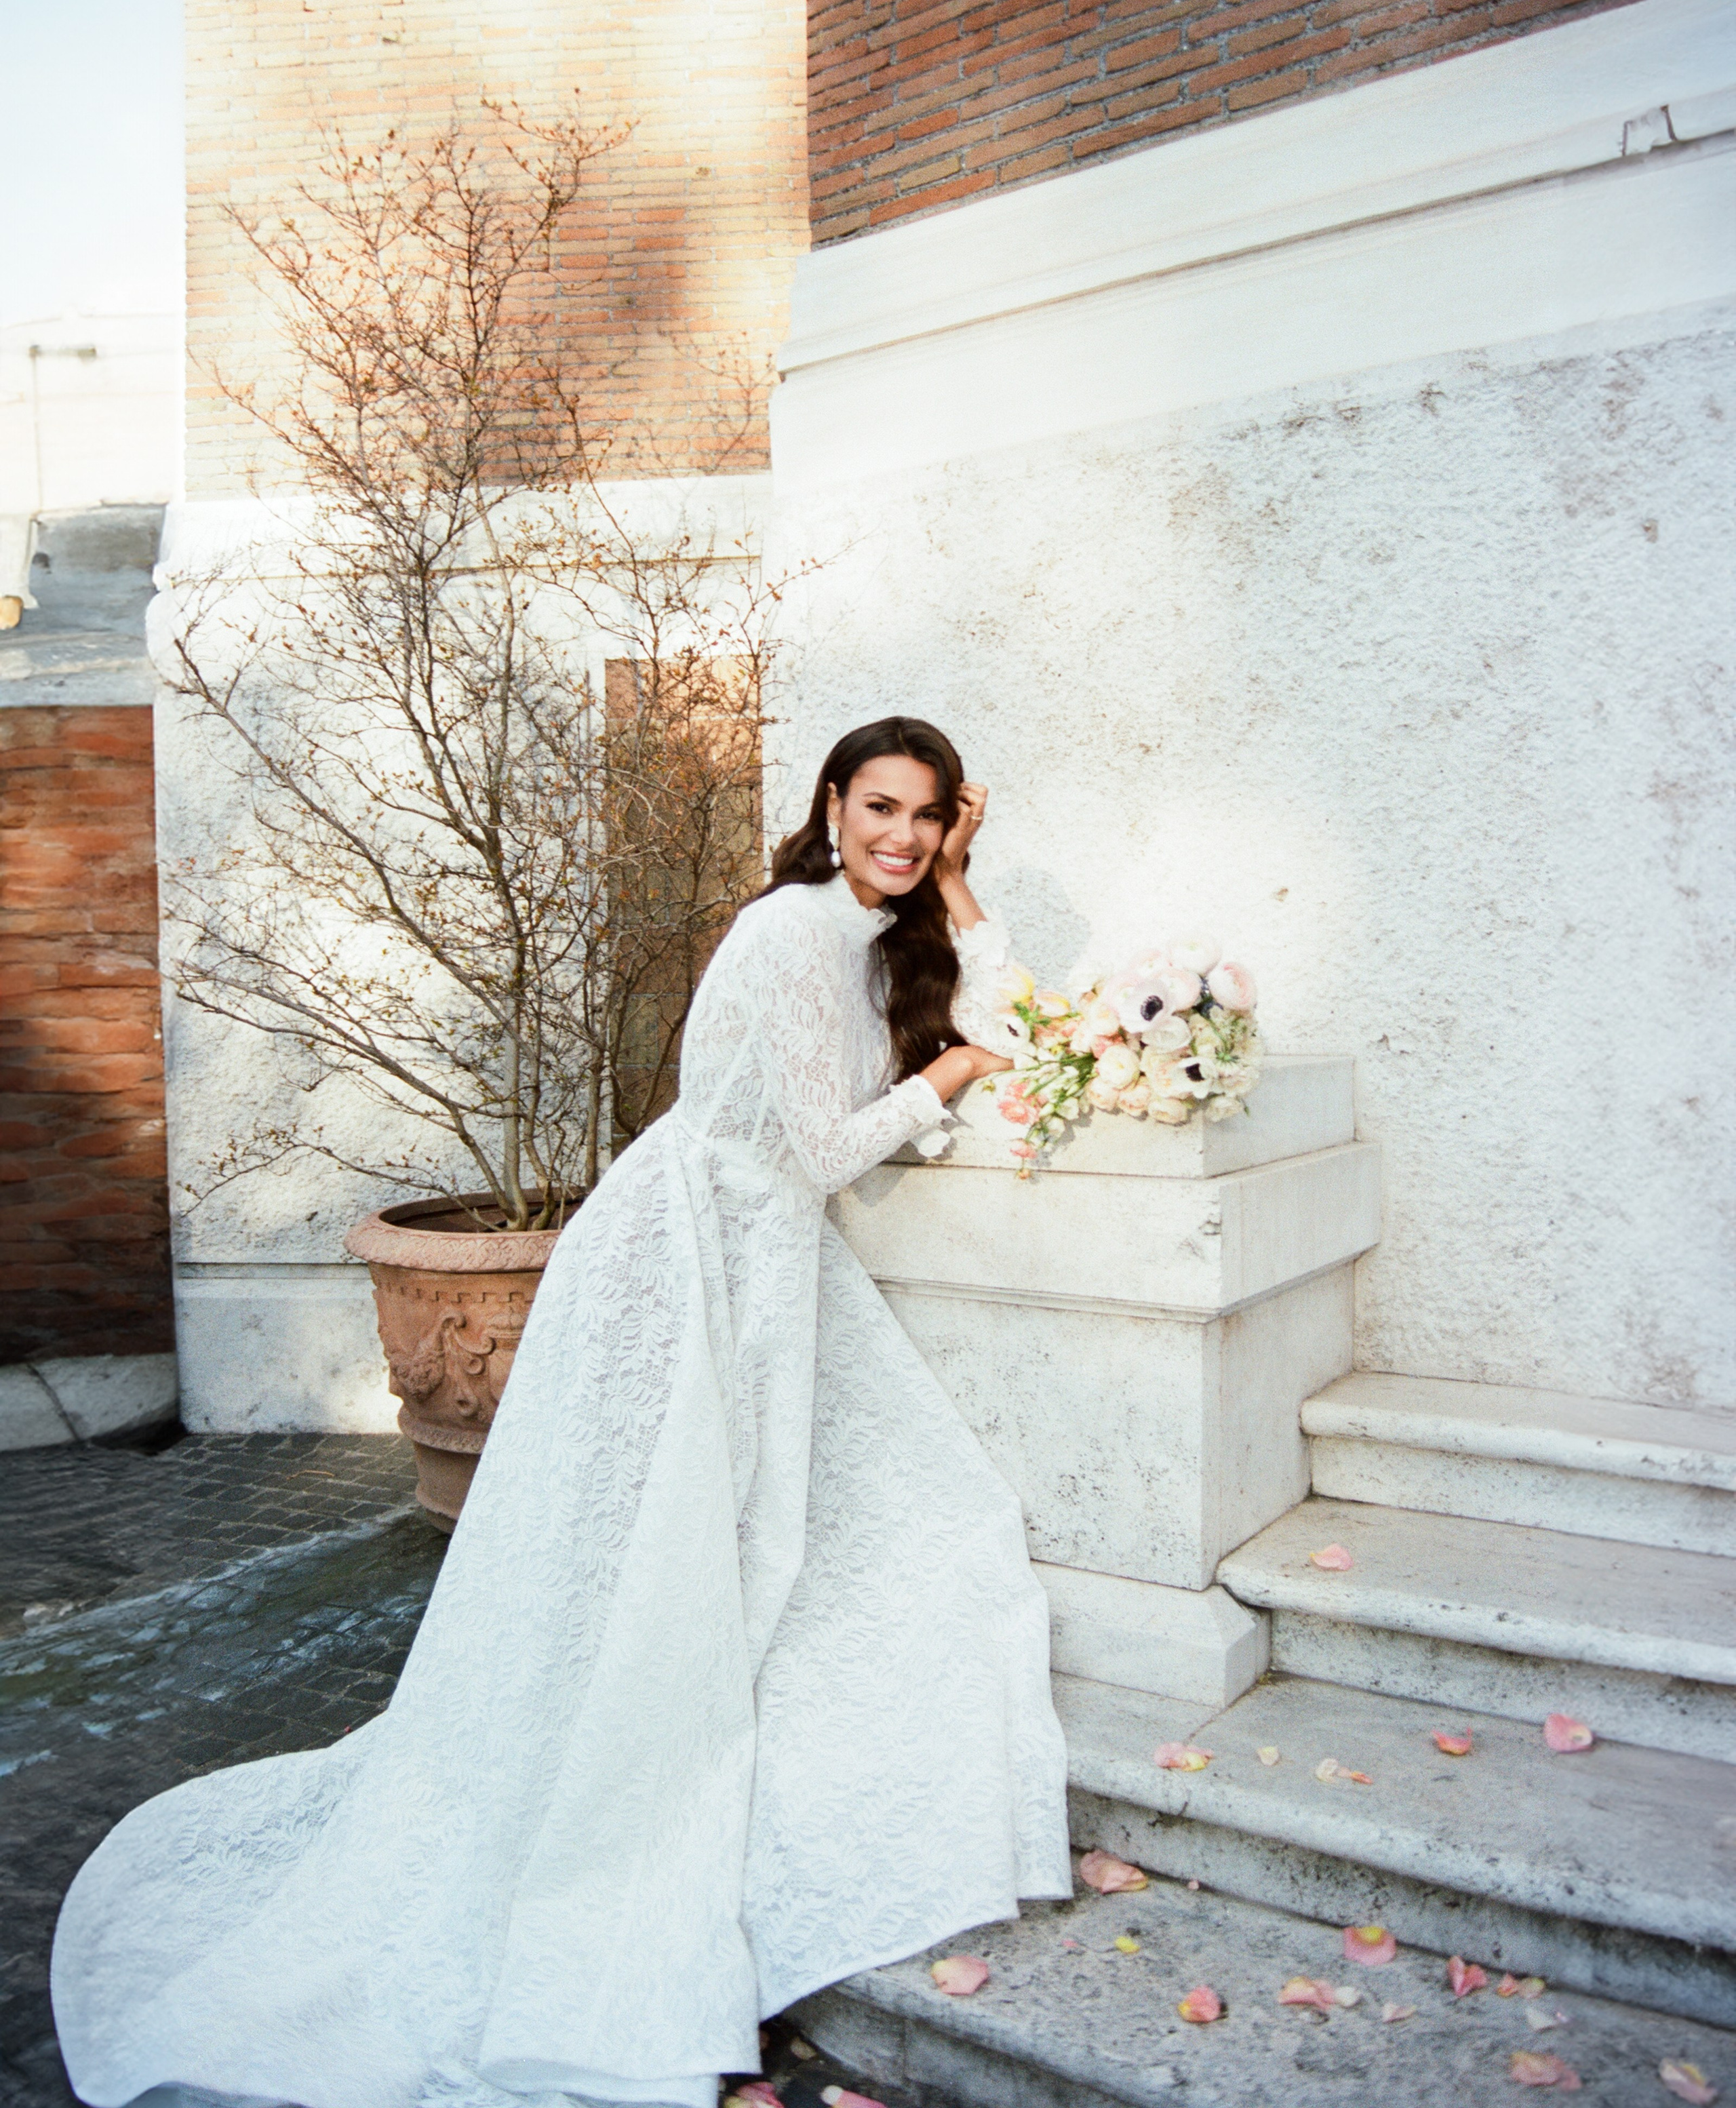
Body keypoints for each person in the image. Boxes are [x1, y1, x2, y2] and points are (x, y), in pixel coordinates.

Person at [52, 715, 1072, 2108]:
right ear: (832, 802)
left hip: (764, 1262)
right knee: (653, 1548)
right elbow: (826, 1147)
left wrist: (960, 900)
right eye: (881, 807)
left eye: (929, 816)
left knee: (838, 1530)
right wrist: (943, 1079)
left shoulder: (876, 930)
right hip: (683, 1258)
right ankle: (601, 1806)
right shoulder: (786, 931)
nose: (900, 834)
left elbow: (1021, 1024)